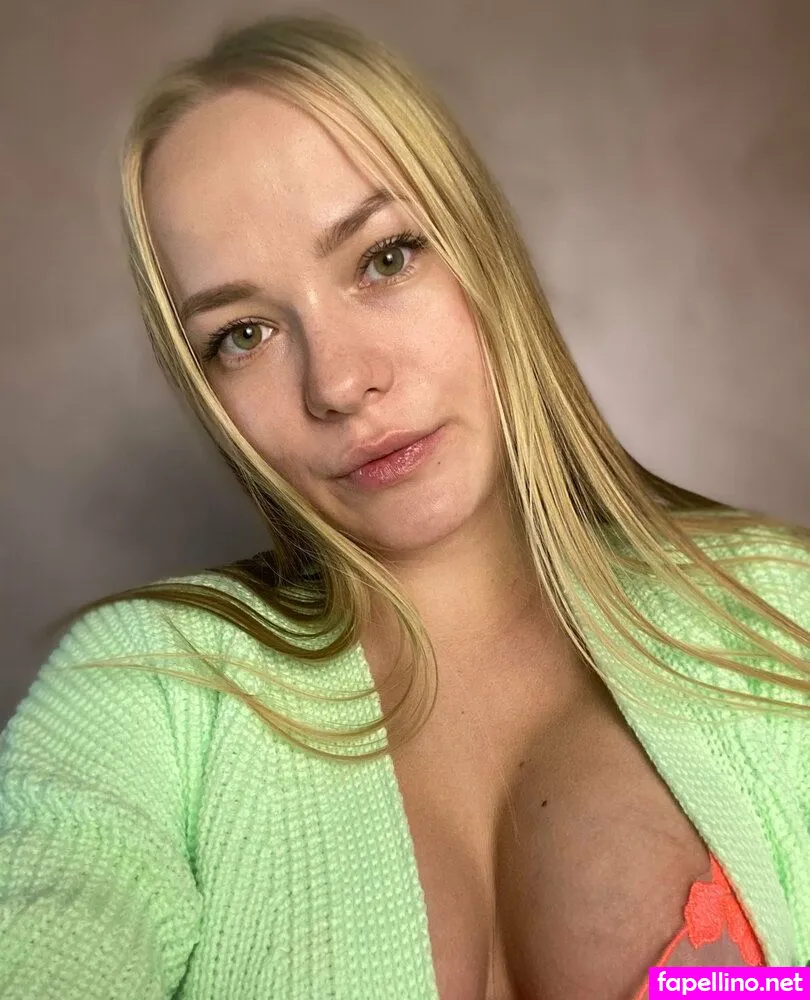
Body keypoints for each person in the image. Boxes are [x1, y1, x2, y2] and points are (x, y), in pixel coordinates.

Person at [0, 13, 808, 1000]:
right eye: (244, 334)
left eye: (385, 258)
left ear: (481, 245)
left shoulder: (780, 617)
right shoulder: (144, 691)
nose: (339, 383)